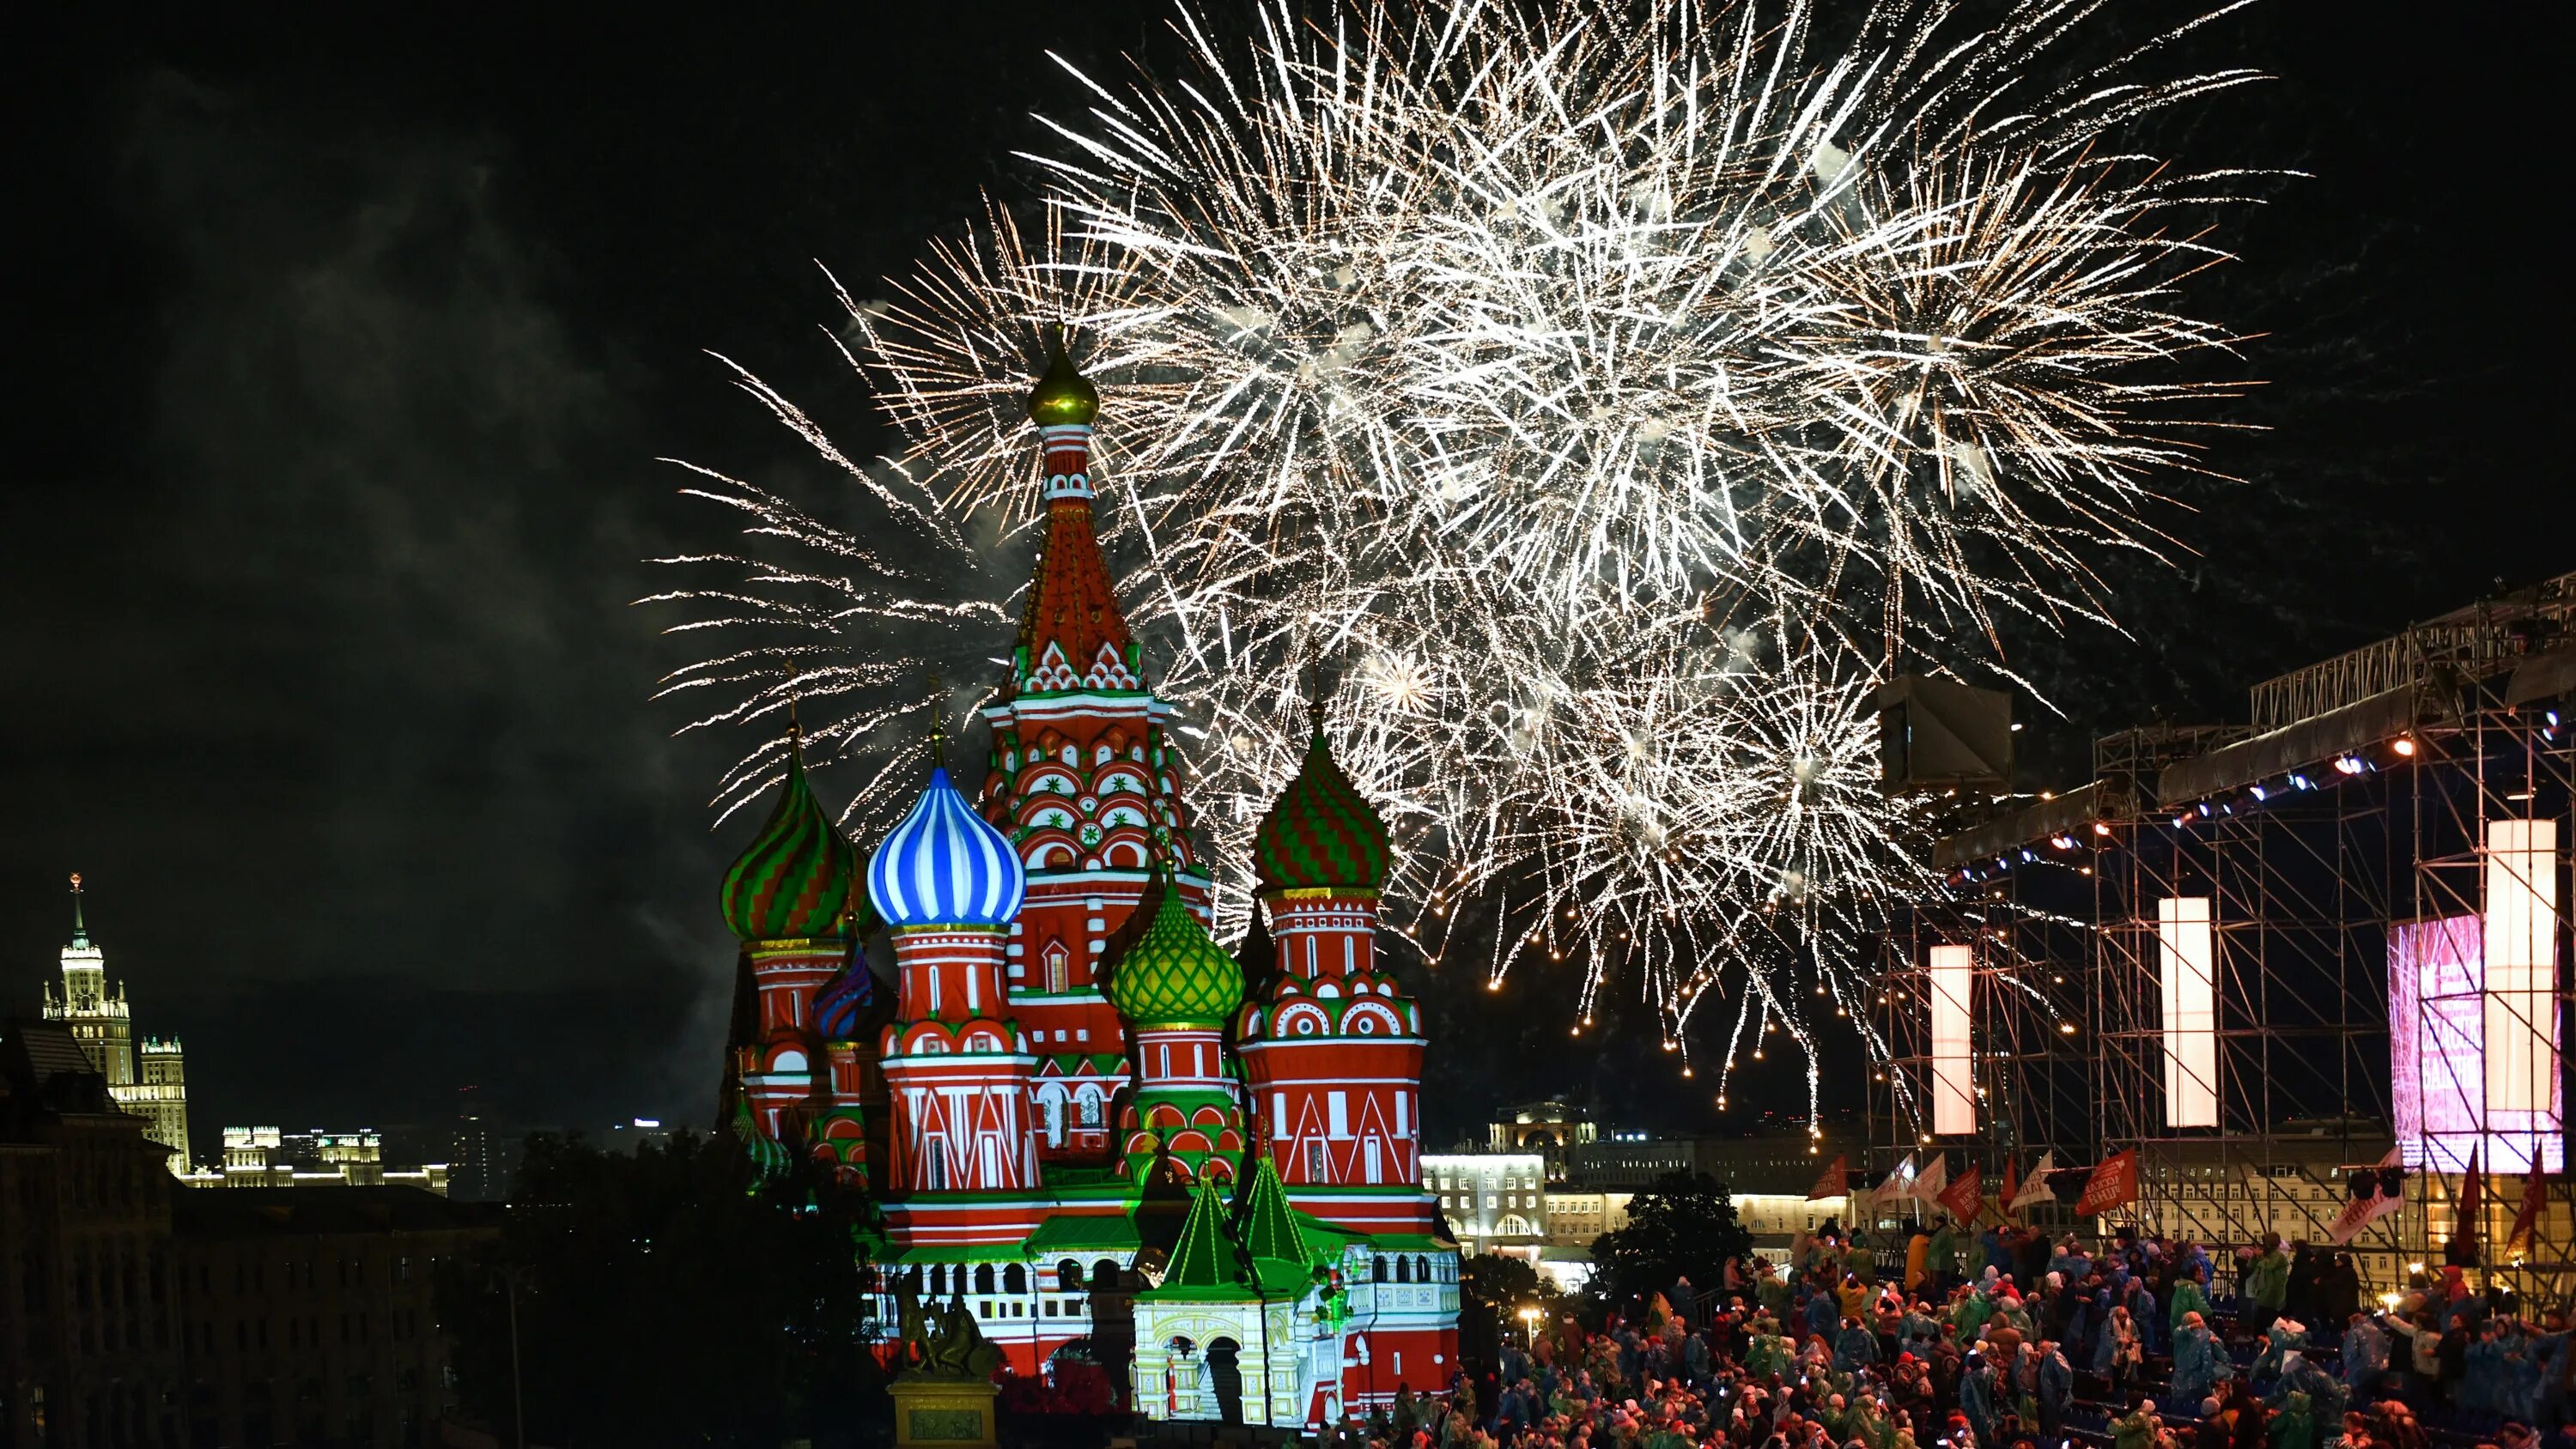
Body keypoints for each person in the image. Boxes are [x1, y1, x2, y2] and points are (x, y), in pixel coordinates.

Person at [2172, 1311, 2231, 1404]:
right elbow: (2177, 1334)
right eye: (2194, 1322)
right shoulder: (2182, 1334)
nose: (2198, 1325)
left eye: (2199, 1322)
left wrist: (2215, 1341)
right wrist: (2191, 1327)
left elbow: (2222, 1350)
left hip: (2205, 1372)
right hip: (2185, 1374)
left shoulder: (2208, 1334)